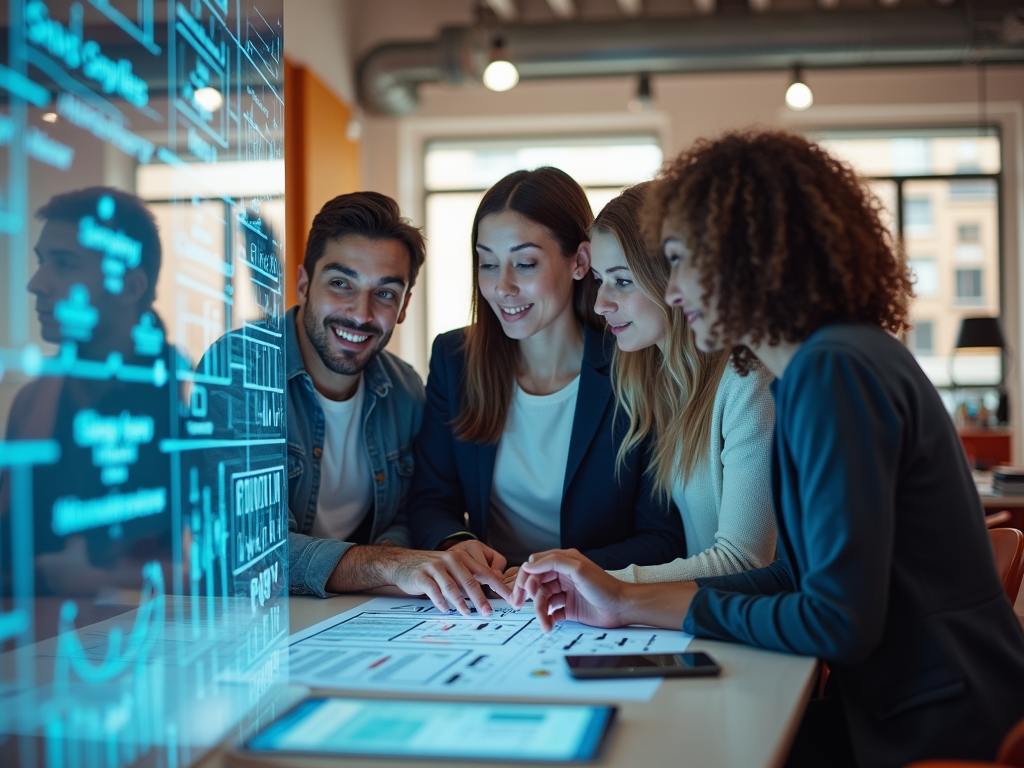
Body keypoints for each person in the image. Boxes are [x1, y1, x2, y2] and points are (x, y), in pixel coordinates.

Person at [512, 131, 1024, 767]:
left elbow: (836, 619)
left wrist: (646, 602)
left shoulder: (834, 371)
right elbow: (792, 575)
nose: (672, 292)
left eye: (682, 262)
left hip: (936, 730)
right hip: (908, 704)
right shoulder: (828, 361)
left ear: (747, 256)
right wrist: (622, 600)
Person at [210, 192, 511, 614]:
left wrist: (407, 564)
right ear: (302, 283)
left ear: (404, 305)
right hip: (247, 621)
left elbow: (403, 519)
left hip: (353, 614)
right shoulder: (239, 370)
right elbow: (247, 547)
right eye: (340, 284)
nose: (360, 313)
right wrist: (387, 565)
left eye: (385, 294)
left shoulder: (404, 389)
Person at [409, 167, 685, 576]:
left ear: (580, 261)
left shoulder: (636, 362)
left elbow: (662, 537)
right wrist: (458, 544)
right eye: (487, 264)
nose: (502, 287)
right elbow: (430, 500)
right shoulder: (455, 359)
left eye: (524, 264)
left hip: (597, 603)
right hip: (490, 603)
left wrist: (557, 574)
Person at [590, 183, 776, 583]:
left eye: (622, 281)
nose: (600, 302)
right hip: (696, 625)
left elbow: (746, 561)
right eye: (598, 279)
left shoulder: (748, 379)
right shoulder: (661, 379)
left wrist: (593, 580)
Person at [1, 187, 175, 611]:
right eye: (44, 262)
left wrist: (99, 578)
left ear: (131, 286)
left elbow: (220, 563)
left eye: (64, 264)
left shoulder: (184, 407)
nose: (36, 284)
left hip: (153, 651)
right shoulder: (33, 402)